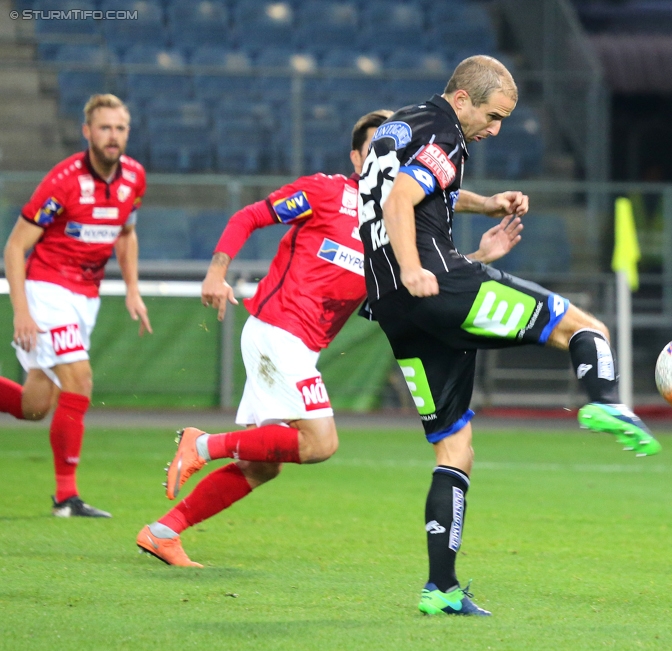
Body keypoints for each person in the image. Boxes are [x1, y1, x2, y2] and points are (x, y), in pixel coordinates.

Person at [136, 110, 523, 567]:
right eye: (378, 149)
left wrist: (480, 252)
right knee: (321, 443)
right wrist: (217, 273)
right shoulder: (325, 193)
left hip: (296, 344)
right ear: (359, 158)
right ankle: (201, 444)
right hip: (277, 329)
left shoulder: (388, 236)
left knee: (264, 464)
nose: (388, 159)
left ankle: (163, 532)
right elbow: (250, 216)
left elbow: (420, 279)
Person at [357, 55, 660, 617]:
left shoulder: (401, 127)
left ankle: (441, 588)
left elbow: (414, 192)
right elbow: (403, 200)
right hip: (433, 282)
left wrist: (487, 202)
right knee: (584, 327)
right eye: (493, 117)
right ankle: (605, 403)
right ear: (465, 98)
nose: (495, 130)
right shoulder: (446, 131)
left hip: (395, 309)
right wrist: (415, 266)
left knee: (455, 447)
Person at [1, 94, 152, 518]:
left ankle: (67, 496)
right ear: (87, 132)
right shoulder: (63, 181)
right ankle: (66, 497)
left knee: (34, 405)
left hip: (86, 297)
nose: (113, 136)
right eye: (104, 128)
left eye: (120, 128)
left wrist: (133, 289)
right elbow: (15, 248)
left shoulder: (135, 178)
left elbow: (125, 233)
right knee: (80, 380)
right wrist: (22, 311)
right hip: (47, 290)